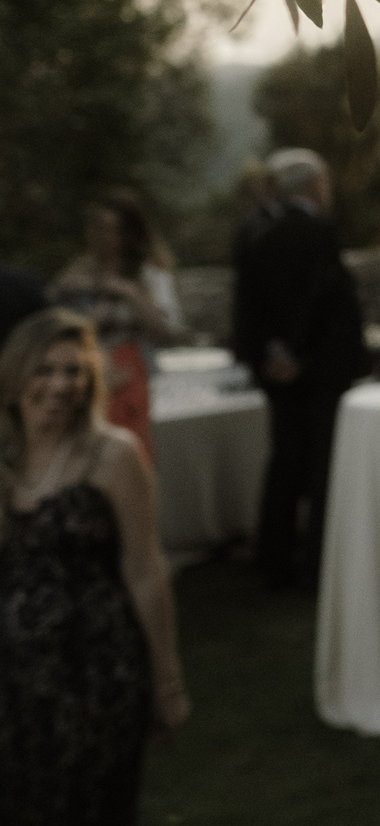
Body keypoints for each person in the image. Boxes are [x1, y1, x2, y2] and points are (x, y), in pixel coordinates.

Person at [0, 309, 190, 824]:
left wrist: (167, 682)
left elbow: (146, 570)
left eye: (74, 371)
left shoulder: (113, 455)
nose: (61, 385)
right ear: (15, 375)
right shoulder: (4, 460)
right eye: (45, 370)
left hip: (98, 677)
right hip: (15, 686)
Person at [229, 148, 366, 590]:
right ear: (315, 186)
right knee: (324, 461)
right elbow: (319, 299)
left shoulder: (253, 231)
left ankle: (273, 555)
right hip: (319, 367)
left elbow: (249, 304)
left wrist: (271, 352)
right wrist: (298, 352)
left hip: (276, 368)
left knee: (285, 460)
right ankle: (318, 563)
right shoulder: (318, 230)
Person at [49, 190, 187, 460]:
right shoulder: (75, 274)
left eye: (112, 230)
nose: (104, 238)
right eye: (98, 228)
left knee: (127, 452)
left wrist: (130, 294)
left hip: (128, 371)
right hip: (83, 373)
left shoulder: (146, 274)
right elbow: (54, 325)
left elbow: (169, 330)